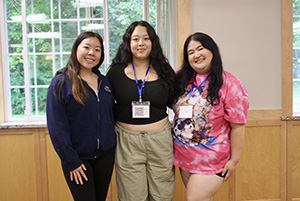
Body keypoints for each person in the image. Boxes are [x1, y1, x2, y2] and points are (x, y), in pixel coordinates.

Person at [172, 32, 249, 201]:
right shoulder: (180, 78)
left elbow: (238, 126)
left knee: (194, 198)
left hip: (211, 159)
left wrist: (234, 161)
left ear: (212, 50)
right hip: (183, 157)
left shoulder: (231, 84)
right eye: (191, 52)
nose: (196, 55)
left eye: (200, 49)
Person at [106, 20, 176, 201]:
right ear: (128, 43)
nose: (141, 43)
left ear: (153, 42)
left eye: (146, 38)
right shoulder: (115, 72)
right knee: (132, 196)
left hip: (160, 141)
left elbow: (176, 102)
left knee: (162, 194)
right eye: (135, 39)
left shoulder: (165, 70)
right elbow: (105, 105)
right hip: (127, 143)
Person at [46, 31, 116, 201]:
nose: (92, 53)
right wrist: (72, 161)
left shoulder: (104, 82)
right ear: (76, 50)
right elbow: (56, 127)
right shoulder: (61, 83)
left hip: (105, 156)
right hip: (78, 159)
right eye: (87, 47)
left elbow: (111, 115)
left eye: (97, 49)